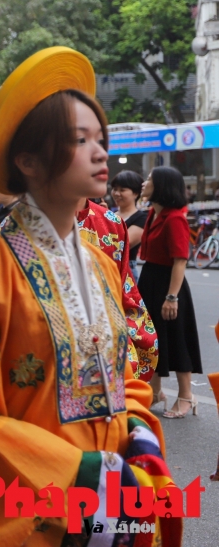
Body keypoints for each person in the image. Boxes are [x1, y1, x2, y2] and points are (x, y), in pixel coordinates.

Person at [0, 47, 175, 545]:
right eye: (80, 141)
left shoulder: (100, 265)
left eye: (100, 138)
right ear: (27, 160)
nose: (100, 153)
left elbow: (122, 377)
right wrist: (79, 474)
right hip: (41, 519)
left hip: (118, 506)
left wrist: (140, 433)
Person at [139, 166, 203, 418]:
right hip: (150, 279)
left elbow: (180, 260)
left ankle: (186, 396)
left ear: (162, 186)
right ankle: (156, 391)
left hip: (169, 284)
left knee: (176, 338)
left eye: (150, 180)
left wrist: (171, 297)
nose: (144, 184)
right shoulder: (153, 214)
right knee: (151, 338)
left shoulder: (174, 217)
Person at [76, 196, 158, 382]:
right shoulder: (15, 233)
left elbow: (123, 291)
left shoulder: (110, 222)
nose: (101, 165)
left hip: (108, 351)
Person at [111, 170, 147, 280]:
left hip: (126, 270)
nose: (117, 193)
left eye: (122, 190)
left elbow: (123, 243)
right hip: (107, 267)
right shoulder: (109, 214)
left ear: (136, 193)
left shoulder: (142, 218)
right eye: (115, 189)